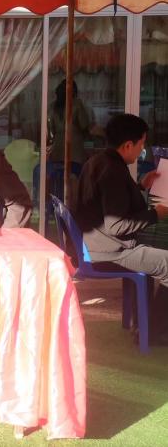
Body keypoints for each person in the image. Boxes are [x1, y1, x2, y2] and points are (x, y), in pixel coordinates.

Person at [74, 113, 168, 344]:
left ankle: (143, 323)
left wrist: (141, 186)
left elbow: (110, 200)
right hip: (111, 251)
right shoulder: (113, 171)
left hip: (96, 244)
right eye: (141, 144)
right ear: (128, 145)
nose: (142, 150)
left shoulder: (99, 161)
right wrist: (155, 214)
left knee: (154, 258)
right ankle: (153, 331)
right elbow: (116, 225)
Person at [48, 79, 93, 165]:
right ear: (73, 91)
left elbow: (51, 129)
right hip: (75, 150)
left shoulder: (52, 106)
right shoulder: (77, 103)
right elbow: (84, 124)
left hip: (58, 149)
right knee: (75, 172)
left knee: (58, 172)